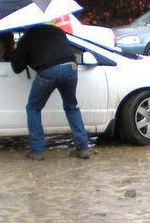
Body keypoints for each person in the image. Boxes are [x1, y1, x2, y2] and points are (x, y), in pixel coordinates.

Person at [10, 24, 90, 160]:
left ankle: (37, 151)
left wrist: (14, 49)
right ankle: (83, 148)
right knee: (71, 107)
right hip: (70, 67)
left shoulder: (26, 38)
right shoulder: (56, 30)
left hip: (48, 71)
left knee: (33, 108)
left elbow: (17, 68)